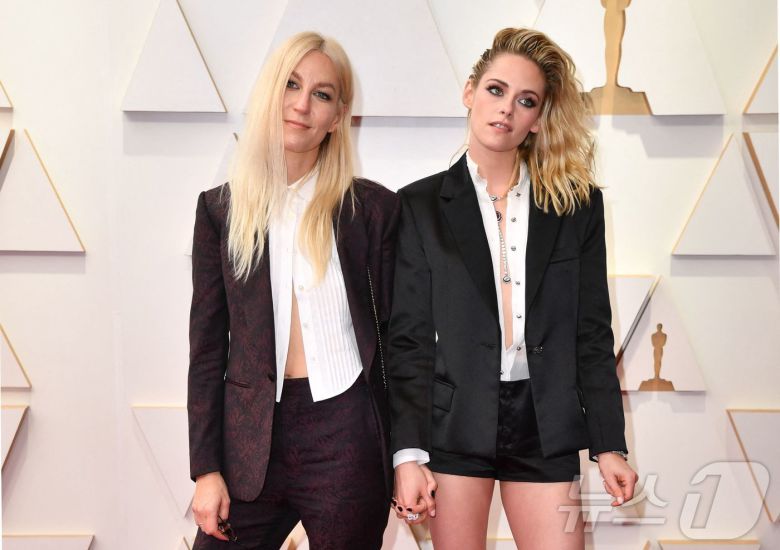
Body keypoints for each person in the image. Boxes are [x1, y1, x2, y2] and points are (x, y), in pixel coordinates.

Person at [387, 27, 638, 549]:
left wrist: (609, 444)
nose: (506, 109)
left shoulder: (576, 206)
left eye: (526, 100)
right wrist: (407, 454)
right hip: (455, 420)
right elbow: (408, 341)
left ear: (538, 119)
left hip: (545, 420)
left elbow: (592, 332)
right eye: (496, 90)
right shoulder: (419, 206)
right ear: (470, 91)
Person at [187, 31, 399, 549]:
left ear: (338, 116)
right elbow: (207, 350)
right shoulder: (220, 211)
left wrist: (409, 453)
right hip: (251, 440)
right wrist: (206, 469)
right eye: (291, 84)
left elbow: (400, 341)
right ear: (270, 92)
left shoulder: (372, 210)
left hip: (346, 434)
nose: (302, 105)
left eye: (321, 94)